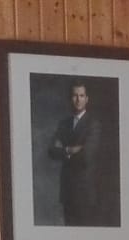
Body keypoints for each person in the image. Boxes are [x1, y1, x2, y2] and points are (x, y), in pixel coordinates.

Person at [49, 82, 103, 225]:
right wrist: (70, 150)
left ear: (87, 99)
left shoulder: (93, 124)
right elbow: (52, 151)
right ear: (70, 99)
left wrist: (63, 150)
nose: (78, 99)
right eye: (74, 96)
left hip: (85, 192)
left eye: (81, 95)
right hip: (67, 191)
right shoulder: (64, 124)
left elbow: (86, 156)